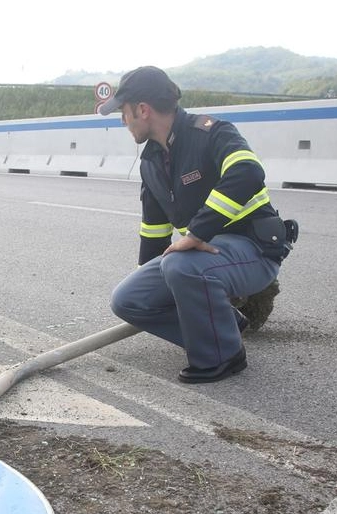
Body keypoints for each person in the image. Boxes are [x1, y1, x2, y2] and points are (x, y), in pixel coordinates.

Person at [100, 66, 296, 384]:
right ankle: (224, 326)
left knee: (182, 266)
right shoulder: (150, 163)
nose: (123, 121)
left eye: (123, 112)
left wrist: (196, 233)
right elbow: (154, 232)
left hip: (254, 249)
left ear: (142, 109)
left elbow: (247, 172)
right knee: (128, 298)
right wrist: (151, 286)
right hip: (203, 258)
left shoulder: (211, 133)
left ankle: (223, 354)